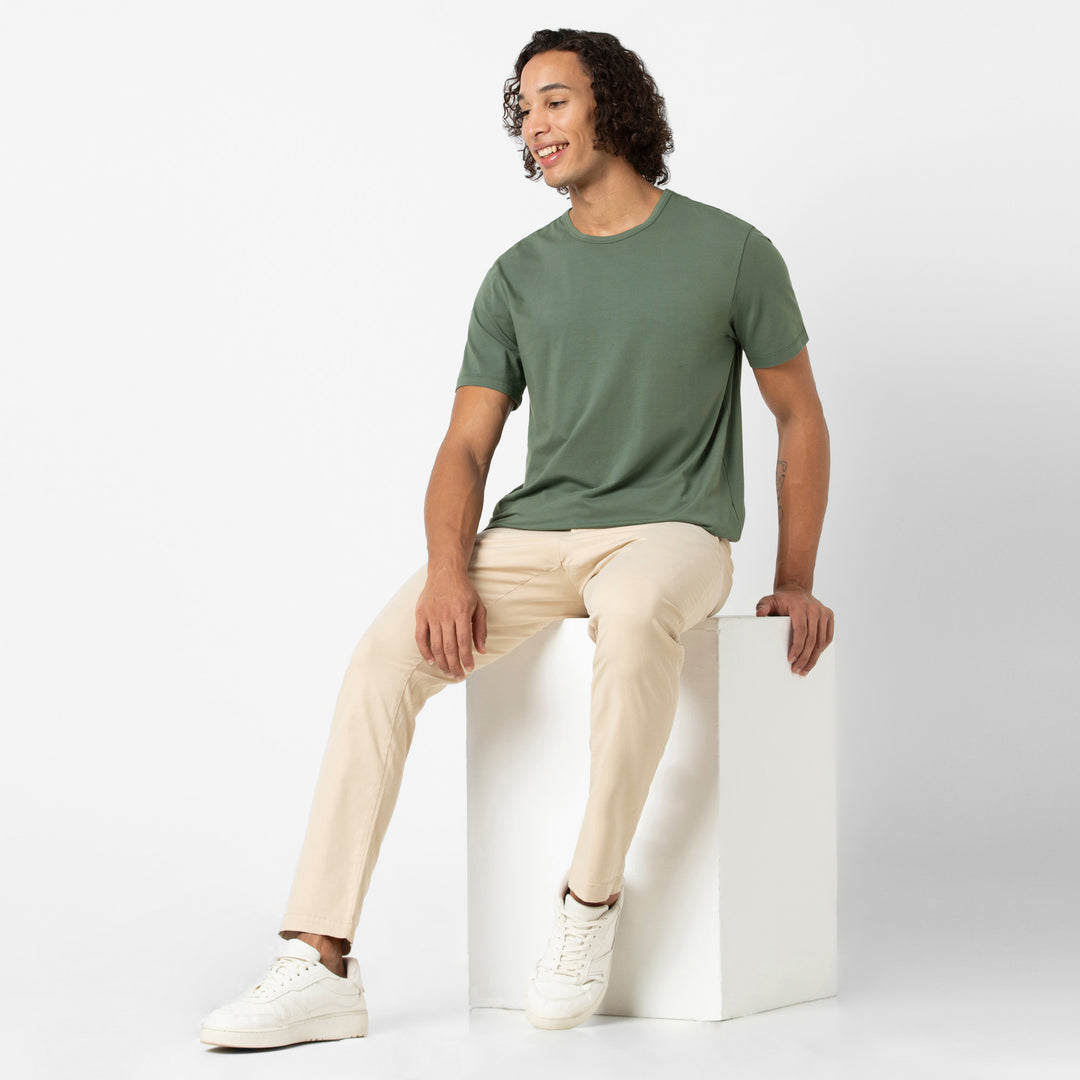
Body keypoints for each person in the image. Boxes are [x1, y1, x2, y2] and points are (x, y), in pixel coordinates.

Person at [200, 27, 834, 1049]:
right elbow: (465, 447)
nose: (534, 125)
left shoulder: (731, 252)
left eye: (555, 100)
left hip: (673, 530)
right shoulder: (516, 276)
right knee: (382, 656)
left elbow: (798, 415)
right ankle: (318, 960)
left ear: (614, 105)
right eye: (524, 108)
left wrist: (795, 577)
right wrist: (448, 572)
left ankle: (588, 904)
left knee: (635, 615)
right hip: (538, 534)